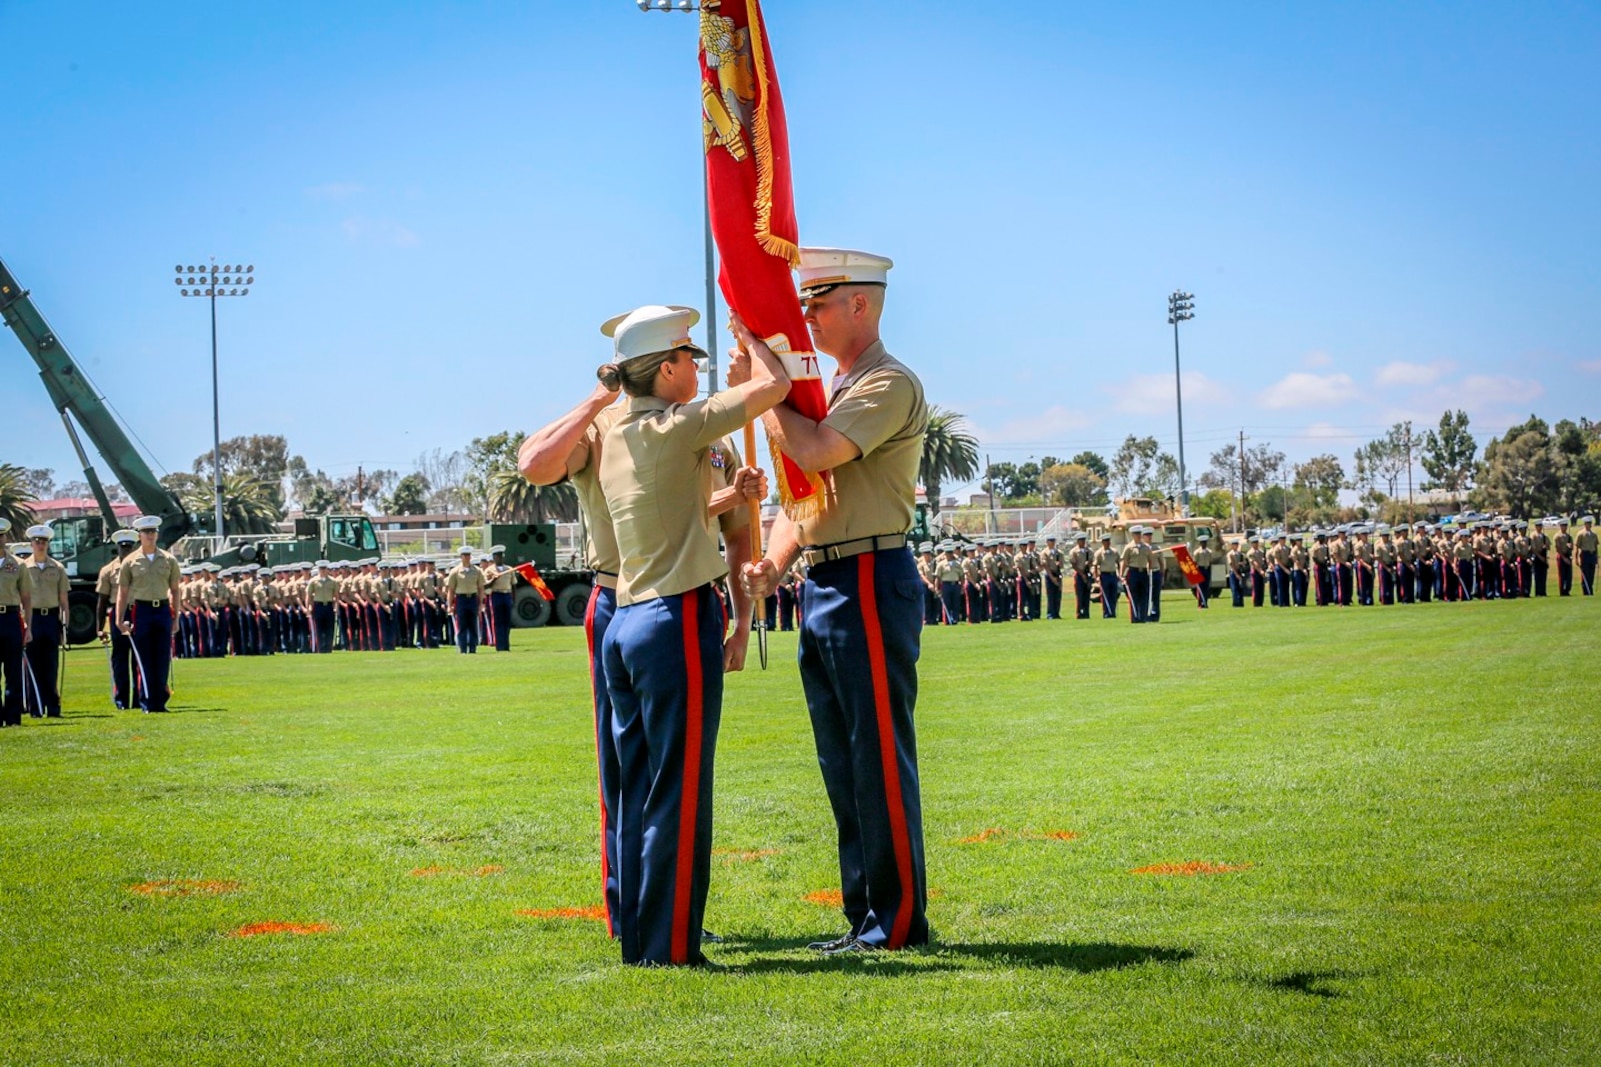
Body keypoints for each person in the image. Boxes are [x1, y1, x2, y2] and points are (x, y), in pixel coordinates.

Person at [739, 248, 930, 956]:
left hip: (871, 580)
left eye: (819, 302)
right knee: (841, 760)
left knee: (876, 755)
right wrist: (772, 564)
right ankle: (864, 916)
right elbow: (803, 495)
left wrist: (764, 393)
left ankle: (897, 919)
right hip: (825, 581)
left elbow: (816, 453)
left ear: (862, 305)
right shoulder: (839, 387)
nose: (807, 315)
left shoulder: (887, 382)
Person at [599, 302, 788, 967]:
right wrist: (755, 336)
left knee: (637, 788)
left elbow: (679, 507)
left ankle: (641, 939)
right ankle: (672, 946)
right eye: (687, 357)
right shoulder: (672, 427)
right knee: (679, 790)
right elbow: (774, 388)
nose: (694, 368)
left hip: (624, 620)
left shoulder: (621, 433)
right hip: (673, 615)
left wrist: (728, 497)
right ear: (665, 368)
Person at [115, 516, 182, 713]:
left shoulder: (168, 559)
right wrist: (119, 619)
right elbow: (123, 592)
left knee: (162, 658)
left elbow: (176, 590)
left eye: (153, 532)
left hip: (162, 609)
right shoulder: (130, 561)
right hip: (142, 610)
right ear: (139, 535)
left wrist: (176, 617)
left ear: (157, 534)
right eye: (146, 532)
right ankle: (146, 702)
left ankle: (160, 701)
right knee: (143, 658)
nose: (150, 535)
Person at [23, 524, 70, 718]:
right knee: (32, 666)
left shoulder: (57, 568)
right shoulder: (23, 567)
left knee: (51, 665)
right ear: (31, 544)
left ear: (48, 544)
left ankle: (53, 707)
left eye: (44, 542)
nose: (40, 545)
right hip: (31, 618)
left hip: (50, 618)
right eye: (37, 541)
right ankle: (35, 708)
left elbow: (64, 600)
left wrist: (65, 624)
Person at [96, 529, 139, 707]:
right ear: (118, 549)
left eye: (129, 548)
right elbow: (102, 600)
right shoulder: (108, 570)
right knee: (120, 658)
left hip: (138, 611)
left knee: (138, 658)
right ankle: (121, 698)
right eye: (123, 548)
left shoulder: (140, 568)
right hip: (118, 613)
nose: (126, 551)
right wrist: (99, 627)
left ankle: (139, 698)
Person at [0, 518, 32, 727]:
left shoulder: (18, 565)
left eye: (1, 535)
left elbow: (27, 598)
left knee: (13, 671)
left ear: (5, 537)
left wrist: (28, 626)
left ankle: (12, 717)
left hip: (11, 618)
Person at [1578, 516, 1598, 596]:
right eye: (1587, 523)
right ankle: (1586, 591)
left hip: (1592, 555)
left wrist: (1596, 557)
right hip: (1584, 555)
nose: (1589, 525)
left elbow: (1595, 546)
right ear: (1585, 524)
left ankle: (1590, 589)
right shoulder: (1581, 534)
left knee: (1591, 574)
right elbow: (1577, 546)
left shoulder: (1594, 535)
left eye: (1590, 523)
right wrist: (1577, 558)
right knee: (1585, 574)